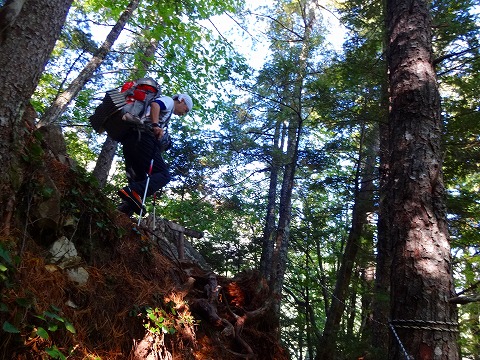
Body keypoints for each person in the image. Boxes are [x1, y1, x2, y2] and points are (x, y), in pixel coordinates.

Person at [117, 93, 193, 216]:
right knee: (164, 175)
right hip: (142, 138)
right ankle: (132, 192)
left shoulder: (167, 111)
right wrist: (156, 126)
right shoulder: (169, 101)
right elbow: (155, 105)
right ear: (182, 100)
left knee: (141, 180)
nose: (184, 113)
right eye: (186, 110)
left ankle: (124, 211)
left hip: (131, 140)